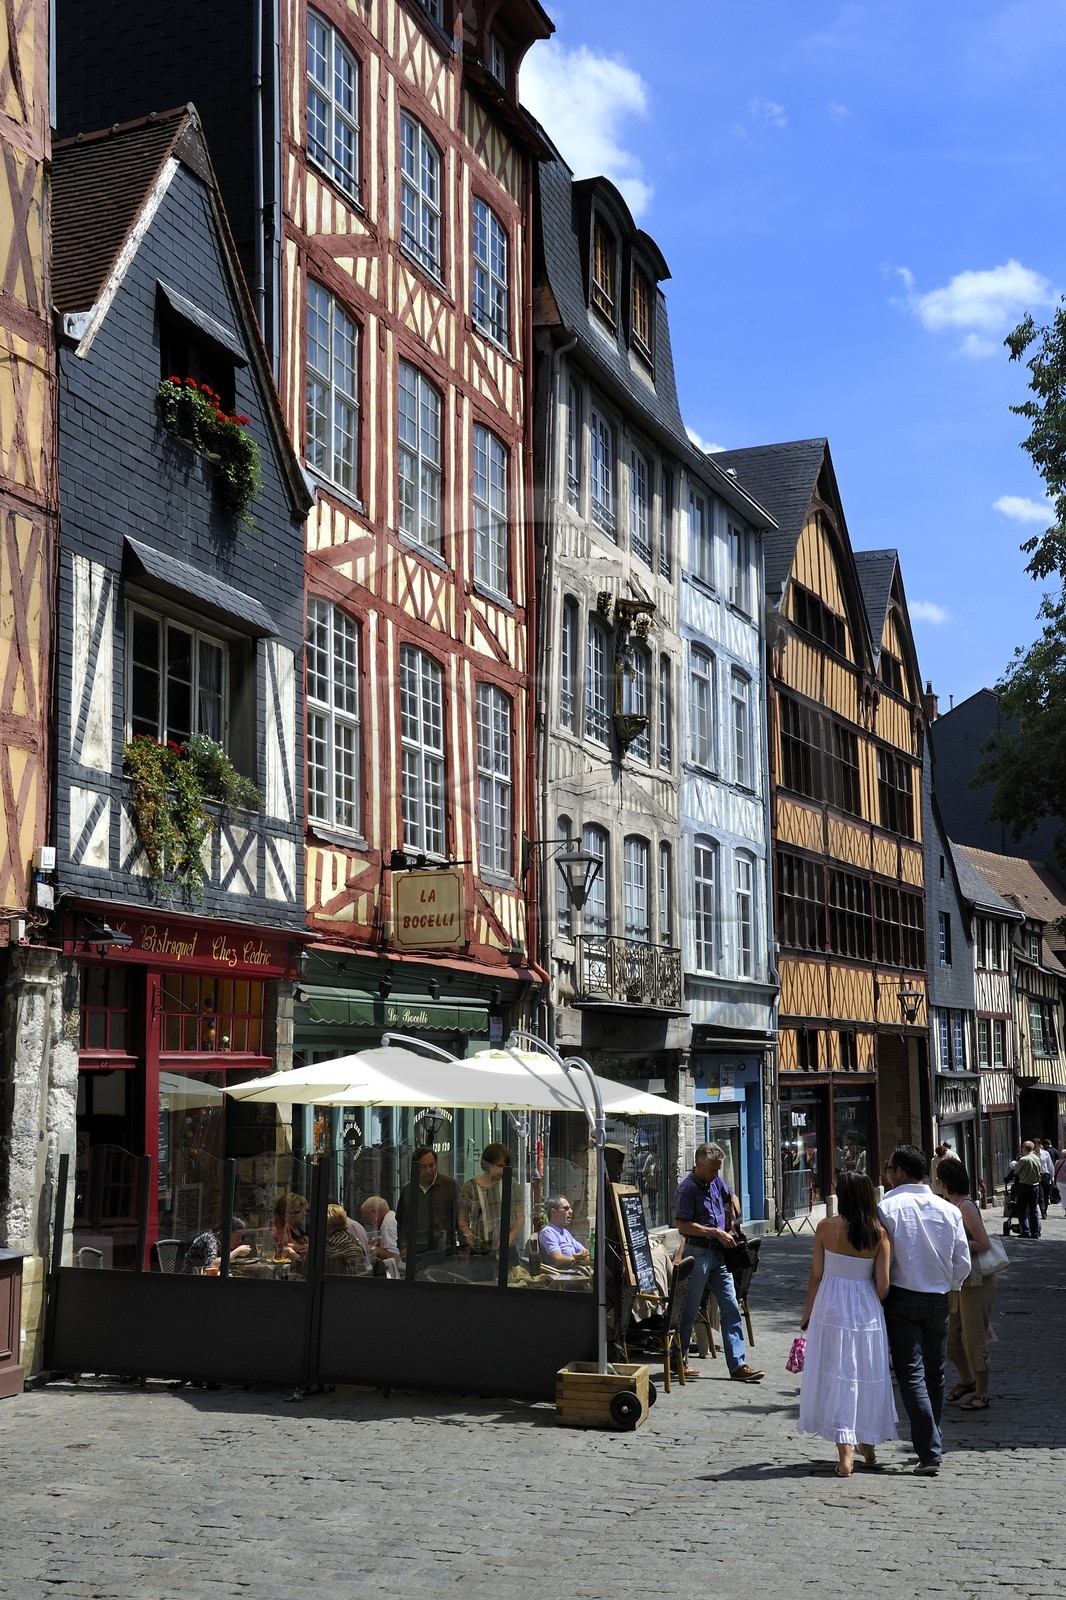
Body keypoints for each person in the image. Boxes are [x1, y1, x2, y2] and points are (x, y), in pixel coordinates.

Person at [878, 1145, 971, 1475]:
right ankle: (933, 1441)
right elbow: (963, 1261)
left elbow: (880, 1259)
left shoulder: (886, 1207)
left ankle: (930, 1450)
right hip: (938, 1299)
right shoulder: (948, 1209)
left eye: (889, 1169)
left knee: (911, 1375)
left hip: (902, 1297)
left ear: (900, 1172)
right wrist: (950, 1285)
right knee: (935, 1372)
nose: (887, 1175)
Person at [797, 1172, 896, 1477]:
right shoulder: (879, 1233)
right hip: (865, 1307)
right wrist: (868, 1299)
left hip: (831, 1305)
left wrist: (808, 1310)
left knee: (837, 1374)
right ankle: (867, 1441)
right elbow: (883, 1284)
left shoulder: (826, 1227)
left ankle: (845, 1452)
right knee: (865, 1371)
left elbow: (816, 1273)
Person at [673, 1142, 763, 1384]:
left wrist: (734, 1219)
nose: (716, 1174)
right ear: (699, 1165)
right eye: (713, 1170)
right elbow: (683, 1226)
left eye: (718, 1170)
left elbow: (730, 1195)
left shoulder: (715, 1181)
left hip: (719, 1256)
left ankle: (738, 1365)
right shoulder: (687, 1189)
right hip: (699, 1252)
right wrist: (714, 1232)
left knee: (731, 1306)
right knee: (690, 1309)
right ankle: (678, 1360)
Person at [936, 1156, 996, 1412]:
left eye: (939, 1179)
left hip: (976, 1281)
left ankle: (981, 1393)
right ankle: (967, 1380)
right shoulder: (951, 1204)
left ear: (945, 1182)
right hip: (959, 1280)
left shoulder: (965, 1207)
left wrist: (954, 1246)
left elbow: (983, 1243)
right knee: (950, 1336)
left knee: (973, 1337)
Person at [458, 1142, 524, 1267]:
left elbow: (520, 1218)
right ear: (488, 1164)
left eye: (505, 1166)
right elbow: (462, 1219)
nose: (502, 1170)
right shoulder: (470, 1186)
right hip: (481, 1251)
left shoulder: (511, 1183)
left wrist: (508, 1239)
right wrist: (469, 1235)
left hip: (508, 1251)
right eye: (499, 1166)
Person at [395, 1146, 458, 1267]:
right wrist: (403, 1246)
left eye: (431, 1165)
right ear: (415, 1168)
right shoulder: (408, 1190)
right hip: (416, 1254)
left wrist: (463, 1249)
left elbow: (459, 1219)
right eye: (423, 1167)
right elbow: (402, 1222)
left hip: (445, 1253)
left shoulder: (449, 1186)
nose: (428, 1170)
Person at [181, 1216, 252, 1275]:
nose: (240, 1241)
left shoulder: (223, 1243)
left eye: (242, 1238)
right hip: (191, 1281)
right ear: (226, 1232)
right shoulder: (209, 1239)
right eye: (237, 1236)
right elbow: (212, 1266)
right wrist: (236, 1252)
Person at [538, 1196, 590, 1270]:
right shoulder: (548, 1232)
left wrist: (583, 1257)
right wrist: (578, 1260)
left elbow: (585, 1252)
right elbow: (558, 1259)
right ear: (554, 1212)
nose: (571, 1211)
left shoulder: (565, 1232)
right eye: (566, 1208)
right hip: (564, 1276)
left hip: (577, 1272)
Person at [324, 1203, 372, 1276]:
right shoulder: (350, 1237)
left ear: (329, 1223)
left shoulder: (331, 1242)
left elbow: (314, 1267)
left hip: (342, 1281)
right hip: (357, 1279)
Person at [1012, 1141, 1043, 1239]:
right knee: (1034, 1210)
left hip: (1024, 1186)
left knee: (1022, 1210)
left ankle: (1026, 1231)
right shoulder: (1037, 1158)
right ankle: (1035, 1232)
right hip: (1035, 1186)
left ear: (1024, 1148)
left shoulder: (1023, 1159)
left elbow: (1016, 1171)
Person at [273, 1192, 310, 1265]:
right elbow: (272, 1252)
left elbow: (289, 1244)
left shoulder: (286, 1225)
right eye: (299, 1211)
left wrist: (302, 1245)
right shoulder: (271, 1227)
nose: (304, 1213)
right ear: (287, 1212)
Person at [361, 1195, 399, 1262]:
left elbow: (394, 1256)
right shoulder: (392, 1218)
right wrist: (382, 1241)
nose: (367, 1222)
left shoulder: (388, 1224)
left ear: (374, 1212)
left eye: (367, 1217)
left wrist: (369, 1247)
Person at [1034, 1138, 1054, 1219]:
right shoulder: (1032, 1154)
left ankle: (1045, 1210)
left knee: (1046, 1194)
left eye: (1036, 1144)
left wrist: (1052, 1178)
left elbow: (1050, 1165)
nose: (1035, 1146)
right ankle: (1043, 1212)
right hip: (1037, 1176)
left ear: (1039, 1145)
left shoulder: (1045, 1153)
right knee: (1041, 1194)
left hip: (1045, 1175)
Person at [1055, 1147, 1066, 1219]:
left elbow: (1055, 1171)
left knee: (1063, 1196)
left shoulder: (1057, 1162)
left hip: (1060, 1181)